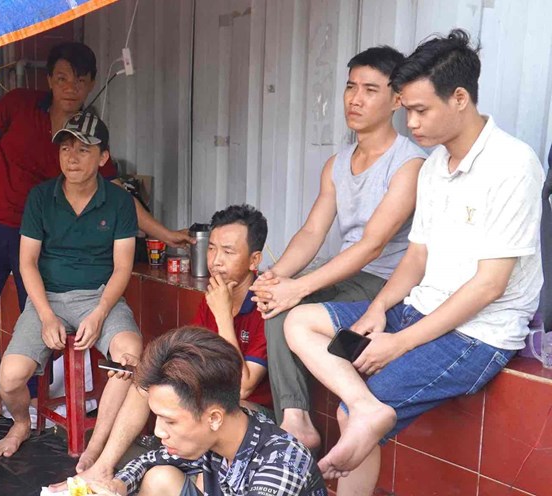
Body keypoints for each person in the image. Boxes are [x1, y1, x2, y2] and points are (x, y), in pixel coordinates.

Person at [285, 29, 544, 495]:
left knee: (348, 416)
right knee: (300, 321)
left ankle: (362, 411)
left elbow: (489, 287)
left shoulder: (512, 164)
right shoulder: (433, 167)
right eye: (407, 111)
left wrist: (398, 343)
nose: (411, 124)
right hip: (420, 308)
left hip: (478, 332)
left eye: (421, 110)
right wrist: (378, 309)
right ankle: (367, 408)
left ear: (460, 97)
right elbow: (417, 256)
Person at [0, 42, 191, 423]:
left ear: (90, 84)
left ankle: (32, 399)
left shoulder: (88, 134)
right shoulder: (17, 104)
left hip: (40, 237)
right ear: (49, 80)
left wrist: (165, 233)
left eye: (80, 80)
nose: (70, 87)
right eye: (62, 78)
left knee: (33, 307)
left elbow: (120, 199)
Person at [250, 46, 426, 448]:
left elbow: (372, 245)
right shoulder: (337, 163)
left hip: (386, 282)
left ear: (397, 99)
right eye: (350, 87)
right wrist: (278, 276)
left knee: (288, 304)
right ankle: (295, 419)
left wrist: (299, 287)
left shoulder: (409, 164)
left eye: (369, 89)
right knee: (277, 297)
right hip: (346, 271)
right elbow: (313, 232)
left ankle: (294, 420)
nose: (355, 99)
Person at [50, 204, 277, 490]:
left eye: (229, 252)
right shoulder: (217, 294)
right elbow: (186, 351)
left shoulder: (264, 305)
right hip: (208, 395)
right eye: (212, 249)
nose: (216, 261)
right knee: (145, 383)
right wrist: (144, 367)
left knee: (184, 408)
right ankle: (100, 466)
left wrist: (222, 314)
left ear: (254, 260)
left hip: (250, 411)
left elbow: (242, 386)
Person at [0, 110, 143, 460]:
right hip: (48, 298)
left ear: (103, 157)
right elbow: (27, 262)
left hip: (100, 296)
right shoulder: (41, 198)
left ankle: (98, 444)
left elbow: (123, 267)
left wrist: (101, 312)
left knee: (130, 358)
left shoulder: (119, 202)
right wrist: (45, 315)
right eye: (65, 149)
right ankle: (20, 423)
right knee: (10, 377)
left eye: (83, 150)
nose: (71, 158)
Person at [85, 327, 327, 496]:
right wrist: (117, 486)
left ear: (214, 418)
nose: (159, 432)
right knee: (160, 478)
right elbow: (149, 460)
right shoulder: (224, 433)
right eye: (157, 417)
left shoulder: (279, 467)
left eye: (170, 421)